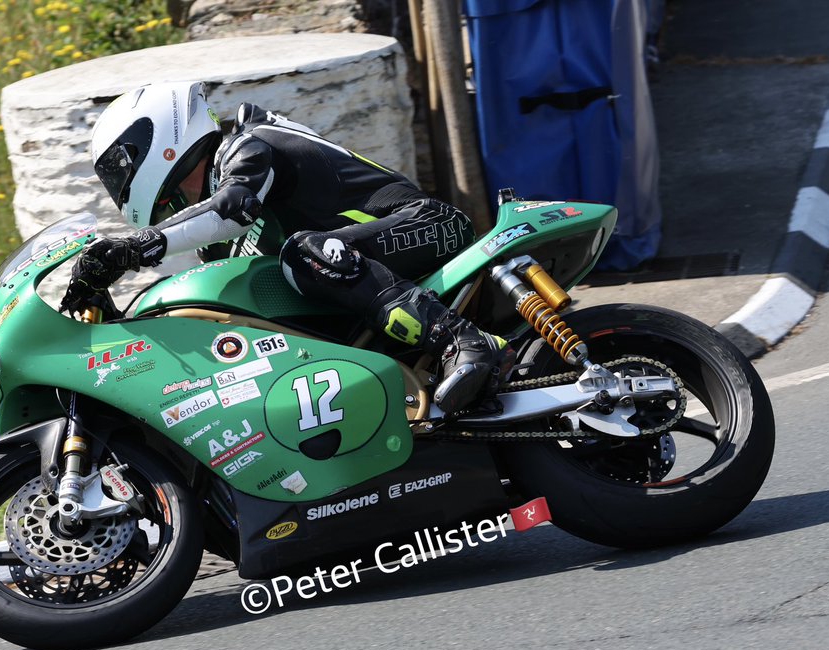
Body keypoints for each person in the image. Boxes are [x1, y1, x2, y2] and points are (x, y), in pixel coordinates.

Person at [61, 81, 513, 414]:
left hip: (428, 226)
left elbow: (232, 206)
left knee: (303, 253)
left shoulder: (250, 144)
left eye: (171, 200)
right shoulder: (217, 246)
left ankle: (462, 339)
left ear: (163, 144)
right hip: (363, 289)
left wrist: (137, 248)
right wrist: (119, 322)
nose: (172, 210)